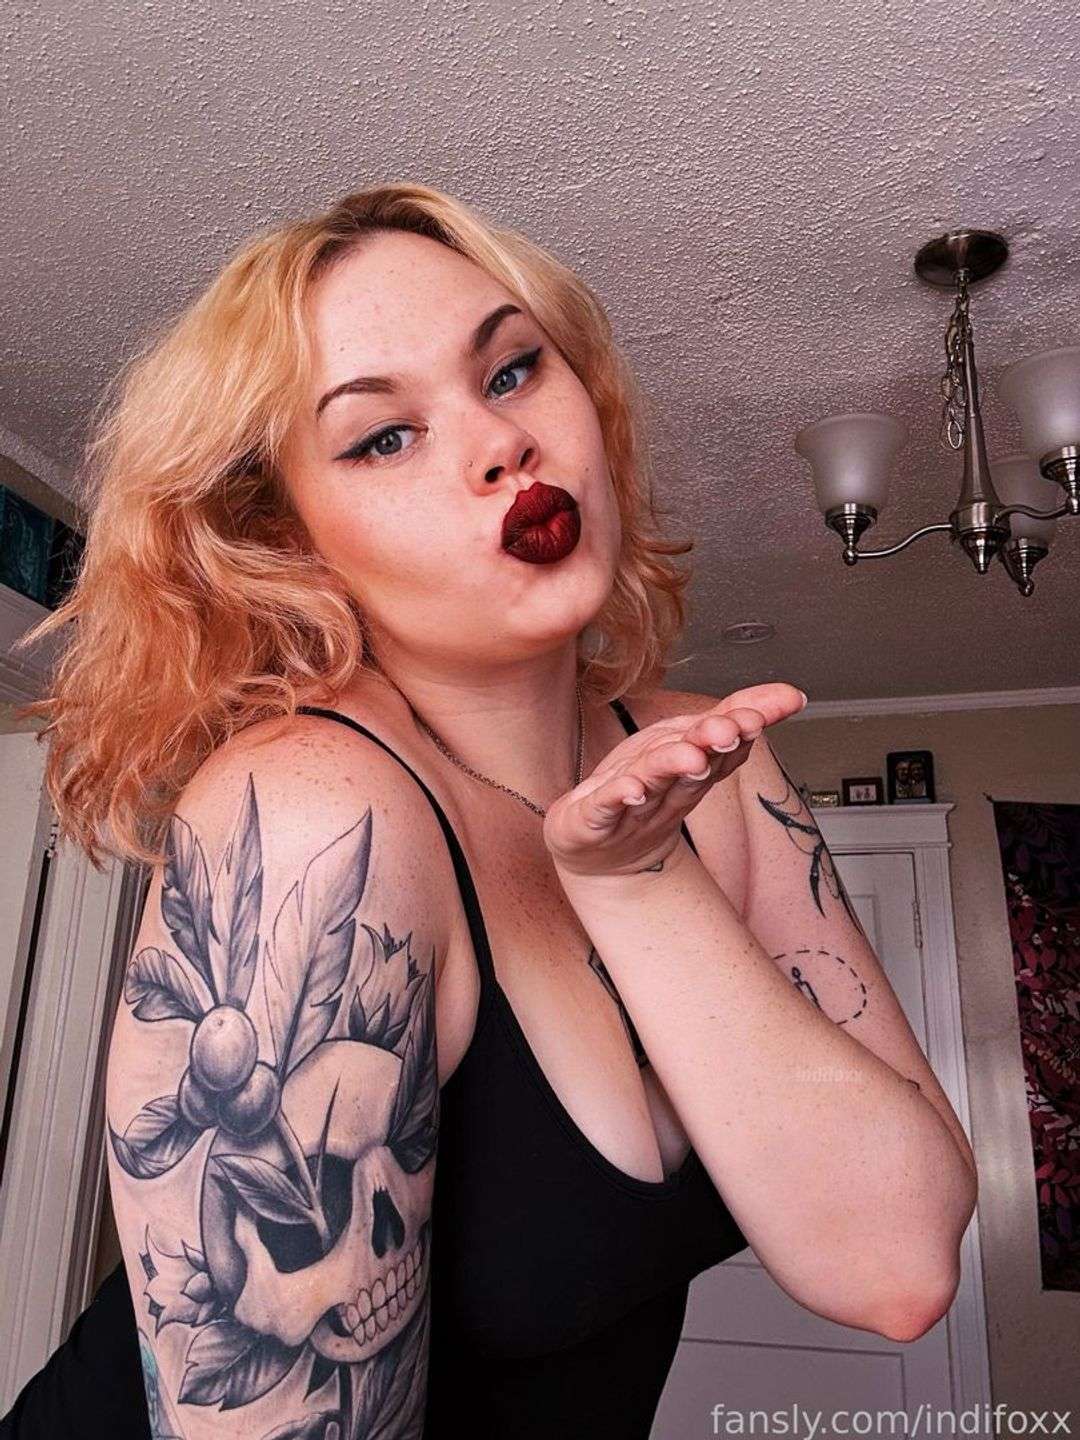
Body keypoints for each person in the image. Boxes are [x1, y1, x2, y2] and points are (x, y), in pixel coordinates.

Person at [2, 183, 977, 1439]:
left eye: (513, 371)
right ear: (288, 542)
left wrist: (638, 878)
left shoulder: (710, 767)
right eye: (383, 438)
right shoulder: (312, 813)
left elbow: (897, 1267)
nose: (503, 445)